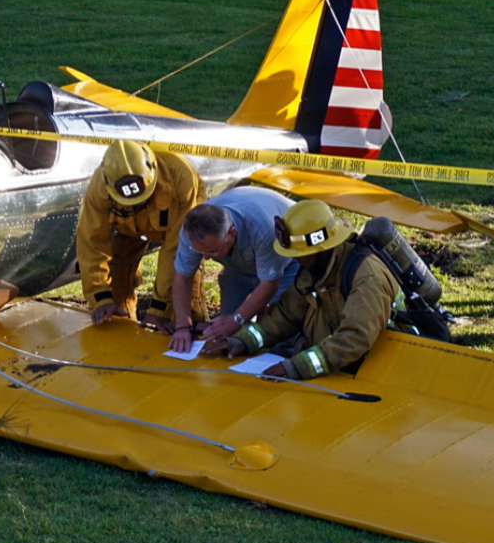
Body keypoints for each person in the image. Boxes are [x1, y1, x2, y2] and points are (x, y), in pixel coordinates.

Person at [202, 200, 402, 381]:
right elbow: (284, 316)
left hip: (376, 373)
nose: (295, 259)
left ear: (321, 248)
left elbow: (355, 337)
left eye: (301, 253)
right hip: (340, 368)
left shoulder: (367, 277)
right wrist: (242, 340)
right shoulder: (315, 268)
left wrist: (299, 366)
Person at [75, 141, 207, 329]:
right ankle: (123, 341)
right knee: (114, 289)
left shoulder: (180, 176)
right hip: (127, 228)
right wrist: (100, 297)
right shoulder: (100, 186)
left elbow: (175, 249)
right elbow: (91, 242)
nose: (133, 205)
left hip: (179, 225)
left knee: (186, 294)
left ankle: (195, 342)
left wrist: (159, 309)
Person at [167, 186, 299, 353]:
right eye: (201, 252)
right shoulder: (191, 231)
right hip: (238, 269)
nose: (207, 258)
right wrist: (183, 326)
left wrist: (237, 319)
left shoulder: (263, 229)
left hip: (286, 264)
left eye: (213, 251)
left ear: (232, 232)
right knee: (228, 338)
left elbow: (269, 284)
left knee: (282, 331)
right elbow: (182, 278)